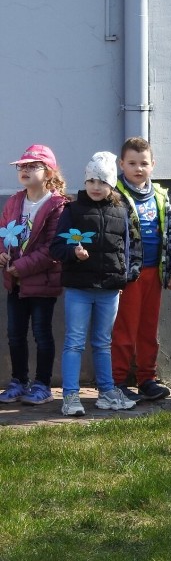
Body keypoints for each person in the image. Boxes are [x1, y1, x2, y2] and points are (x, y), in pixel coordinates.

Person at [50, 151, 143, 416]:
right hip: (79, 288)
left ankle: (106, 392)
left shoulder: (120, 209)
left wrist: (125, 276)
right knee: (75, 342)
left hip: (110, 289)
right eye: (91, 180)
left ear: (111, 184)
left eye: (102, 182)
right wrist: (73, 253)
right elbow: (56, 247)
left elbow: (127, 246)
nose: (95, 187)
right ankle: (70, 396)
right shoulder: (72, 210)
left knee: (103, 342)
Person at [111, 137, 171, 402]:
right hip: (128, 276)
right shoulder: (114, 194)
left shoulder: (161, 196)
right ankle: (117, 381)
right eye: (132, 163)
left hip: (155, 274)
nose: (138, 168)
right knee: (124, 329)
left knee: (148, 329)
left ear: (153, 165)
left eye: (143, 163)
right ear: (122, 164)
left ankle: (147, 379)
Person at [0, 145, 68, 405]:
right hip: (15, 281)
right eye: (22, 166)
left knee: (41, 333)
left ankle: (42, 384)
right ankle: (18, 380)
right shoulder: (15, 201)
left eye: (33, 165)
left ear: (49, 172)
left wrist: (23, 266)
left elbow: (52, 248)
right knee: (14, 333)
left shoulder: (57, 206)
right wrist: (3, 256)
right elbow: (3, 231)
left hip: (42, 282)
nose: (25, 169)